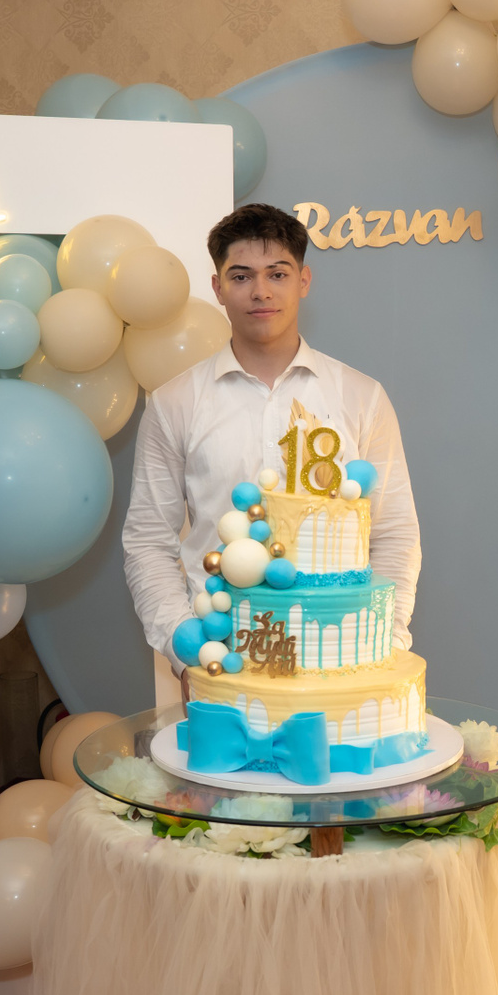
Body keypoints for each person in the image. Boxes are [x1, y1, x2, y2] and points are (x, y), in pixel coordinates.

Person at [122, 203, 420, 682]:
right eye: (240, 277)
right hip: (219, 657)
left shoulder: (361, 397)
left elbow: (394, 531)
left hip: (340, 660)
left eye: (277, 274)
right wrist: (186, 648)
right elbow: (147, 540)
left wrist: (385, 640)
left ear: (303, 280)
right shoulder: (174, 403)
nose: (260, 291)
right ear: (217, 288)